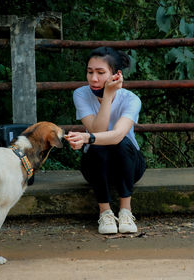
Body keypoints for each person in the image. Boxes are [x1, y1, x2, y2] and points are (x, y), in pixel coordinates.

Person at [65, 46, 146, 234]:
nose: (94, 78)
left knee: (120, 142)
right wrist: (108, 95)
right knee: (97, 145)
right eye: (90, 72)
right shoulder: (81, 94)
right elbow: (98, 130)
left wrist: (86, 137)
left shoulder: (131, 99)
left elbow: (118, 135)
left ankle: (126, 210)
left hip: (129, 165)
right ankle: (105, 212)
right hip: (95, 165)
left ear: (116, 75)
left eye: (101, 73)